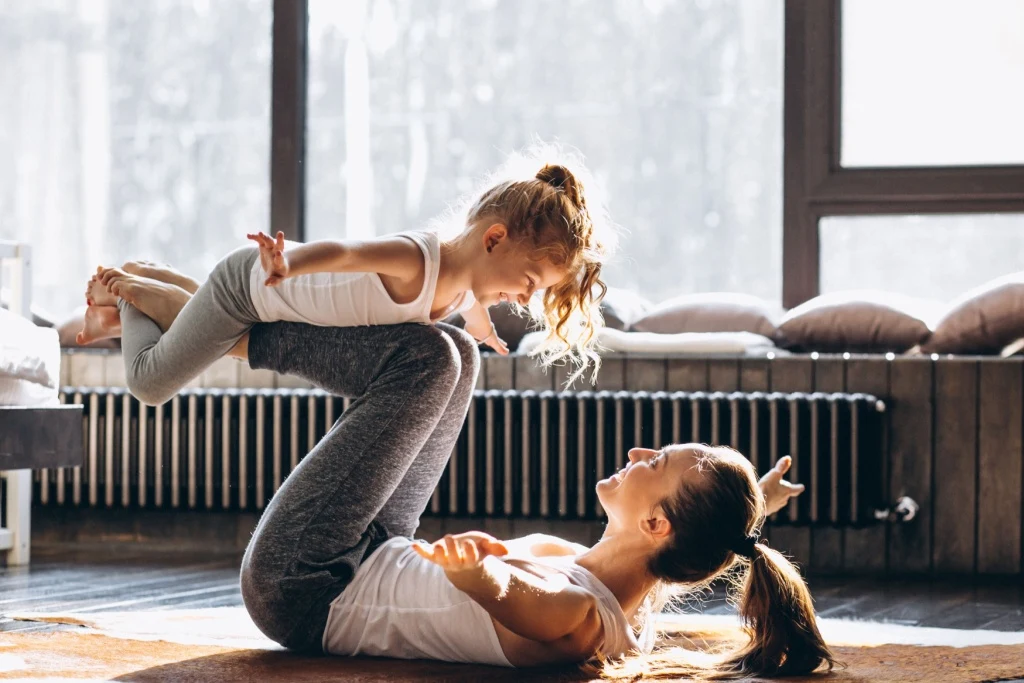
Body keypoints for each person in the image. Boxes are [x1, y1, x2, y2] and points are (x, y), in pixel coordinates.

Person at [99, 270, 829, 679]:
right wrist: (752, 504)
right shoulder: (630, 587)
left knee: (423, 361)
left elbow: (530, 604)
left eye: (656, 462)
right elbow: (705, 545)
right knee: (457, 353)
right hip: (376, 550)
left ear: (657, 524)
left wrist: (485, 577)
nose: (640, 452)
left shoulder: (581, 619)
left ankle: (206, 316)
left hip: (308, 586)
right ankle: (187, 310)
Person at [78, 153, 610, 407]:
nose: (525, 298)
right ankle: (128, 295)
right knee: (149, 384)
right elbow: (345, 251)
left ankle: (150, 275)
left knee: (210, 335)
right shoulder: (419, 259)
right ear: (493, 239)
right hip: (252, 288)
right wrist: (290, 263)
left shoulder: (463, 290)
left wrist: (484, 329)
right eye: (529, 280)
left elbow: (473, 305)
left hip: (269, 306)